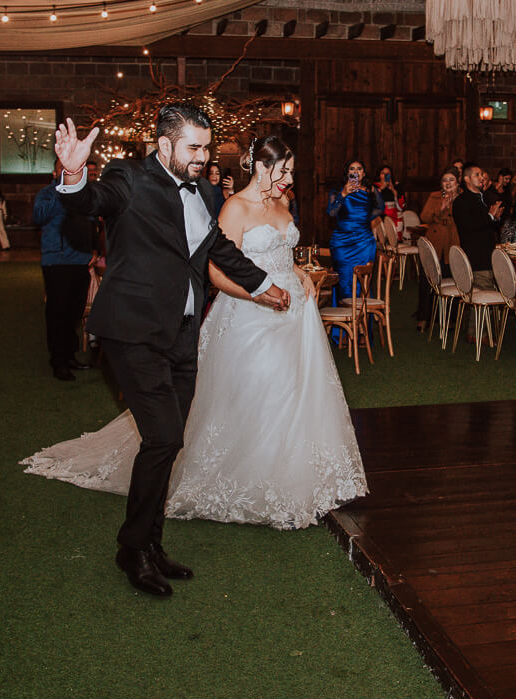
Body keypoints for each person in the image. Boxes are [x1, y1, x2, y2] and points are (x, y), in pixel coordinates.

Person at [22, 135, 366, 533]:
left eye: (291, 171)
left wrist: (299, 273)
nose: (288, 179)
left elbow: (281, 256)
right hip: (248, 315)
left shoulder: (282, 204)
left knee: (296, 393)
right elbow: (217, 268)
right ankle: (243, 481)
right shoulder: (231, 206)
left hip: (293, 316)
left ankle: (294, 474)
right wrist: (260, 295)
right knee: (250, 395)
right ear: (260, 167)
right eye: (283, 170)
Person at [43, 104, 290, 598]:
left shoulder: (201, 188)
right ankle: (131, 548)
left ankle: (151, 544)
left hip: (181, 332)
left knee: (169, 442)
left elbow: (217, 248)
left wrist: (263, 284)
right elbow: (91, 201)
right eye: (193, 148)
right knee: (163, 437)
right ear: (164, 144)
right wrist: (72, 173)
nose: (202, 157)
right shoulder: (128, 177)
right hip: (133, 332)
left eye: (206, 147)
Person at [32, 178, 93, 382]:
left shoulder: (83, 193)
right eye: (62, 168)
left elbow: (92, 221)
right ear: (55, 171)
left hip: (80, 260)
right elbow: (38, 217)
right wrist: (61, 193)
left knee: (74, 312)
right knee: (57, 312)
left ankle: (69, 355)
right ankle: (58, 361)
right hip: (56, 261)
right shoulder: (48, 193)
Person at [326, 159, 382, 298]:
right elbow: (331, 212)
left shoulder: (371, 190)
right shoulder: (337, 191)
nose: (356, 172)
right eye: (352, 169)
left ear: (363, 173)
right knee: (344, 280)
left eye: (359, 169)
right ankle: (346, 315)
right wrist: (343, 194)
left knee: (363, 280)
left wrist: (363, 220)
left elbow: (381, 208)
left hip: (364, 242)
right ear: (347, 172)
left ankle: (361, 315)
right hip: (341, 242)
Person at [415, 168, 462, 331]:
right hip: (434, 242)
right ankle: (423, 318)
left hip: (453, 242)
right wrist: (441, 209)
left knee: (452, 281)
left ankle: (449, 319)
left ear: (458, 182)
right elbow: (424, 217)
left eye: (451, 180)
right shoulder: (434, 196)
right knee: (427, 281)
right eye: (445, 180)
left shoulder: (463, 199)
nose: (448, 183)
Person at [452, 163, 503, 289]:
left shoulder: (485, 197)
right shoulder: (461, 201)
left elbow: (490, 227)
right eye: (477, 175)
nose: (481, 178)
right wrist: (490, 216)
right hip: (477, 259)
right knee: (486, 298)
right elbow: (469, 227)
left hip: (491, 256)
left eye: (482, 175)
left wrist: (496, 218)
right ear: (467, 179)